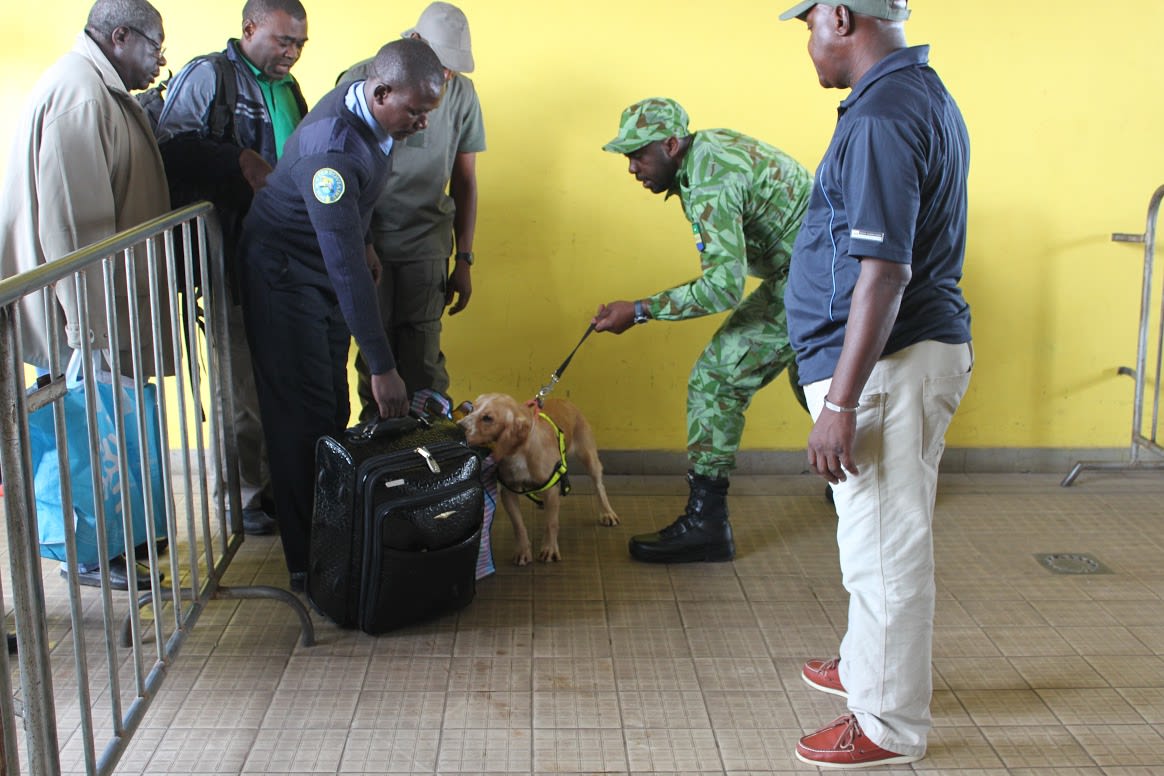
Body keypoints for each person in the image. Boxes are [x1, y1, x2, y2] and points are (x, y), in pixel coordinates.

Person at [779, 1, 973, 768]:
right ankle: (868, 664)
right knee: (876, 537)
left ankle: (888, 723)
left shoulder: (883, 115)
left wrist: (840, 401)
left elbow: (884, 272)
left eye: (806, 29)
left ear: (838, 16)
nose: (808, 46)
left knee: (885, 551)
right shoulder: (915, 92)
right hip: (900, 361)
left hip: (887, 369)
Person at [238, 38, 446, 591]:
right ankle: (309, 566)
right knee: (300, 418)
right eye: (416, 113)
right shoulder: (331, 151)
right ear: (381, 92)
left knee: (326, 405)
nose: (422, 125)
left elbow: (362, 205)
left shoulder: (374, 116)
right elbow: (346, 269)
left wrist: (369, 239)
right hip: (285, 275)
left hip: (320, 262)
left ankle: (334, 542)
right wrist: (382, 365)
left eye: (429, 112)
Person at [593, 98, 812, 564]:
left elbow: (722, 289)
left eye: (639, 155)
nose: (632, 168)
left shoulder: (709, 179)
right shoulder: (707, 153)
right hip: (816, 268)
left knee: (716, 379)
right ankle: (867, 485)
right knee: (814, 379)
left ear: (671, 144)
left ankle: (707, 524)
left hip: (815, 274)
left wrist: (639, 310)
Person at [0, 0, 171, 590]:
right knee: (87, 429)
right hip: (82, 311)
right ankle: (95, 553)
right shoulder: (81, 94)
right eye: (154, 47)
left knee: (103, 426)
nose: (159, 62)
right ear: (119, 36)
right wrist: (88, 334)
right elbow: (74, 227)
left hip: (93, 304)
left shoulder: (97, 87)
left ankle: (116, 541)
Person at [155, 0, 310, 536]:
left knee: (278, 379)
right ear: (249, 29)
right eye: (282, 40)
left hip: (285, 259)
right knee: (240, 383)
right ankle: (241, 494)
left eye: (299, 44)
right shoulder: (210, 75)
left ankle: (268, 485)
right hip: (229, 257)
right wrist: (237, 161)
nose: (291, 52)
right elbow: (169, 148)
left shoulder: (288, 90)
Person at [338, 1, 486, 420]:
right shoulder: (364, 79)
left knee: (423, 365)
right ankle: (381, 467)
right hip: (371, 241)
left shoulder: (461, 93)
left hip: (426, 242)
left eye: (455, 68)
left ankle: (431, 471)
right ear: (415, 42)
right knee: (375, 362)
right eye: (442, 64)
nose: (447, 76)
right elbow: (339, 170)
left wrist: (465, 257)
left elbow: (465, 179)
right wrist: (358, 242)